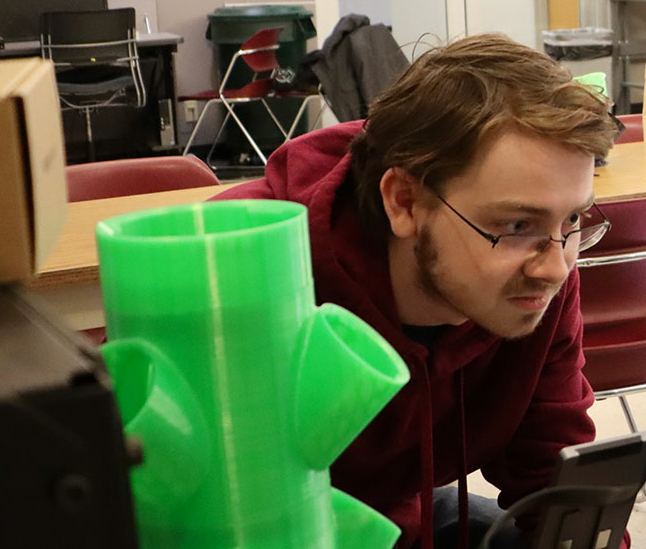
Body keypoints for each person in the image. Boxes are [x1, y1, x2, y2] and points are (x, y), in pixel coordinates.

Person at [217, 33, 618, 549]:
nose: (556, 266)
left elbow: (551, 470)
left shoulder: (543, 266)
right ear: (404, 201)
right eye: (517, 224)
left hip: (407, 507)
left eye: (574, 218)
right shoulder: (247, 274)